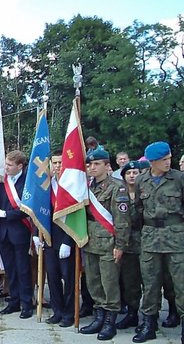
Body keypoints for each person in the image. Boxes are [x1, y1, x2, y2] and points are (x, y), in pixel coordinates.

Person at [132, 142, 184, 343]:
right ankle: (149, 324)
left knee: (180, 284)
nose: (167, 162)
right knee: (151, 283)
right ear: (152, 162)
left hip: (176, 238)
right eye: (163, 160)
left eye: (169, 158)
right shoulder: (142, 181)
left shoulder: (178, 179)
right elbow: (137, 208)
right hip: (150, 237)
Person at [79, 148, 130, 341]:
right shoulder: (87, 186)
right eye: (90, 164)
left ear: (108, 166)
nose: (92, 167)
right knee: (93, 282)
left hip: (109, 242)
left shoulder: (118, 187)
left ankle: (110, 321)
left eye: (97, 164)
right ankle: (99, 316)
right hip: (90, 241)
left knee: (109, 283)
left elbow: (122, 219)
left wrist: (120, 245)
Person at [0, 150, 33, 319]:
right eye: (6, 164)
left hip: (20, 232)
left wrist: (6, 215)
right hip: (3, 233)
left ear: (20, 166)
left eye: (9, 165)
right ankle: (14, 301)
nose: (6, 168)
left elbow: (27, 209)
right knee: (10, 270)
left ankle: (26, 304)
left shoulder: (28, 182)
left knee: (23, 270)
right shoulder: (2, 182)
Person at [43, 150, 76, 327]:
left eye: (60, 163)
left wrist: (68, 242)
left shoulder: (72, 186)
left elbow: (76, 218)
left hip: (66, 240)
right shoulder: (46, 186)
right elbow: (39, 212)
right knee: (53, 278)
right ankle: (58, 311)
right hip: (49, 239)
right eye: (54, 163)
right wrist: (36, 234)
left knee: (68, 278)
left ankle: (69, 314)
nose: (57, 166)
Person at [115, 161, 143, 329]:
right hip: (127, 244)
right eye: (129, 173)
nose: (132, 175)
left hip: (147, 242)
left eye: (135, 172)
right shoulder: (119, 193)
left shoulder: (146, 193)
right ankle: (132, 313)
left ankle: (150, 317)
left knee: (151, 281)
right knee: (130, 282)